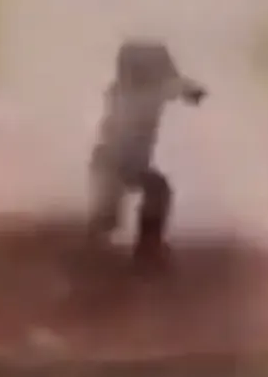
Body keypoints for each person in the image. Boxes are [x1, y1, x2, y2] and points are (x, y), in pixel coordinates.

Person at [86, 39, 207, 267]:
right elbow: (189, 92)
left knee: (148, 195)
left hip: (115, 164)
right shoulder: (134, 92)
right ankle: (145, 248)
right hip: (114, 164)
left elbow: (187, 91)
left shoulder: (127, 89)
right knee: (151, 194)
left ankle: (144, 247)